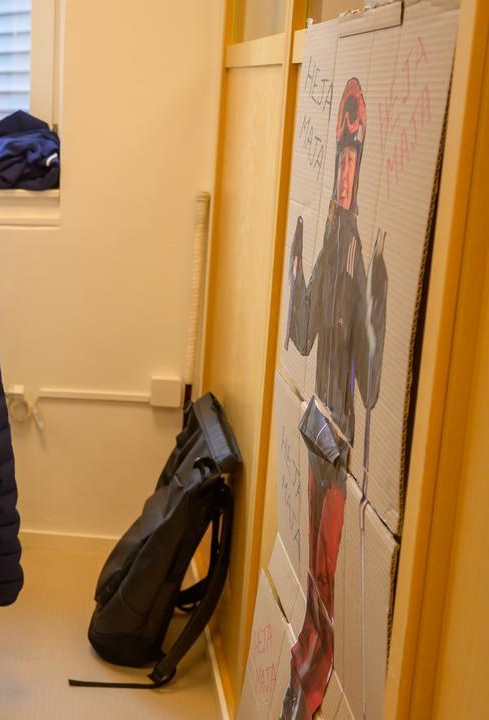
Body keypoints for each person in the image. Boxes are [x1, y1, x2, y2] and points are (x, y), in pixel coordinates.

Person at [281, 77, 387, 720]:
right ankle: (300, 681)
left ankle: (314, 691)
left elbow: (371, 385)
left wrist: (375, 297)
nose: (345, 169)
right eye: (340, 156)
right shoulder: (328, 245)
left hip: (340, 443)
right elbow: (300, 334)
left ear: (361, 158)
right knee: (312, 589)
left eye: (354, 153)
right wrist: (296, 268)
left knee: (324, 580)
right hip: (314, 432)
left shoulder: (356, 252)